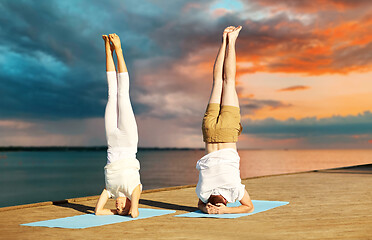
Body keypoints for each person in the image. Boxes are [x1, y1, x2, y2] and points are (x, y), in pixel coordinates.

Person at [196, 26, 254, 214]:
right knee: (219, 82)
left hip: (227, 133)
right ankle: (224, 40)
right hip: (210, 132)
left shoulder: (234, 191)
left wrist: (224, 211)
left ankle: (231, 40)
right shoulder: (203, 193)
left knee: (228, 81)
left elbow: (248, 207)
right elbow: (199, 204)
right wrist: (212, 209)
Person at [94, 33, 141, 218]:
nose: (119, 206)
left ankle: (107, 49)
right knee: (123, 95)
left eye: (118, 208)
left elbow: (98, 212)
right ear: (129, 204)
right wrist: (132, 209)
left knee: (111, 94)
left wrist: (114, 212)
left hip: (112, 141)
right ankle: (119, 51)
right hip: (128, 141)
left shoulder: (110, 190)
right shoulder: (134, 190)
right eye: (123, 207)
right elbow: (135, 210)